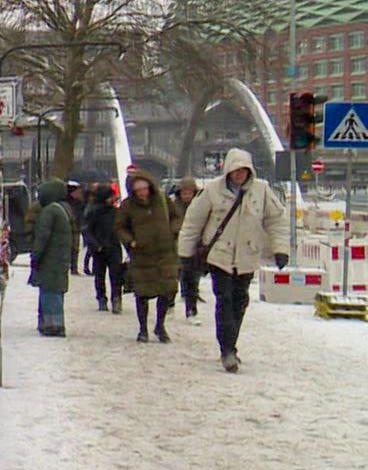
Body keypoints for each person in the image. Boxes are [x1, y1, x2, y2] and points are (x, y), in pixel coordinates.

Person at [176, 148, 289, 372]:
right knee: (225, 300)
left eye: (244, 171)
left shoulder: (262, 191)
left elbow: (276, 221)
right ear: (228, 170)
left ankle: (231, 344)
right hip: (220, 256)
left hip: (247, 255)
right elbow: (193, 222)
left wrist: (280, 249)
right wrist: (185, 255)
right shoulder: (212, 191)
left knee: (240, 301)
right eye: (236, 170)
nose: (239, 175)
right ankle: (227, 349)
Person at [116, 168, 179, 343]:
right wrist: (131, 241)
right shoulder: (127, 206)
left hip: (165, 253)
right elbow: (120, 227)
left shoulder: (162, 200)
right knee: (142, 293)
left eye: (144, 189)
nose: (142, 193)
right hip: (142, 254)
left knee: (166, 291)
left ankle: (160, 325)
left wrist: (172, 231)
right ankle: (143, 329)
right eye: (138, 190)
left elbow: (176, 217)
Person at [30, 178, 74, 336]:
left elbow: (42, 236)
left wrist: (35, 255)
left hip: (50, 259)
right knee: (56, 291)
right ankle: (52, 322)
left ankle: (53, 325)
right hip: (60, 258)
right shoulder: (64, 209)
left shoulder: (49, 211)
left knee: (49, 291)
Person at [84, 183, 124, 313]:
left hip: (113, 247)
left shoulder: (116, 212)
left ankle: (115, 298)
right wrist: (95, 245)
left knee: (115, 275)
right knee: (100, 275)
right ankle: (102, 298)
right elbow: (87, 231)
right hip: (100, 249)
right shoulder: (94, 213)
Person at [172, 177, 203, 318]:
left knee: (192, 276)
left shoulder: (200, 205)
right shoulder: (173, 206)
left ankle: (191, 308)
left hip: (193, 246)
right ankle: (169, 304)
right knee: (173, 277)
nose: (186, 195)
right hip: (175, 245)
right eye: (184, 192)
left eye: (189, 192)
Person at [68, 182, 90, 276]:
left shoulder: (80, 203)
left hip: (76, 228)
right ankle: (71, 267)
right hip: (69, 228)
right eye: (78, 192)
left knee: (75, 249)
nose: (80, 193)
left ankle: (74, 268)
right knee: (70, 248)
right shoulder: (68, 204)